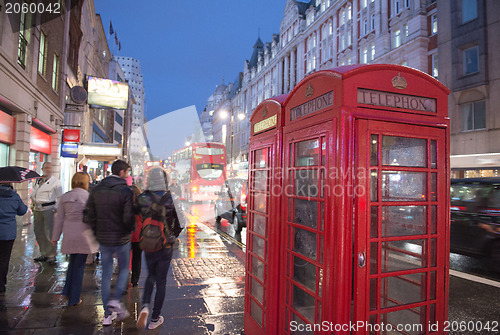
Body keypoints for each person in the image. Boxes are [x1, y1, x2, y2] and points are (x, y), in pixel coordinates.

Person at [83, 160, 135, 326]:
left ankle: (107, 315)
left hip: (104, 238)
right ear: (121, 173)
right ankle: (115, 300)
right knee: (124, 270)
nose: (128, 175)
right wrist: (131, 229)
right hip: (121, 238)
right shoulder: (125, 191)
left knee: (106, 274)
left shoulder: (97, 189)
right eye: (127, 172)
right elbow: (128, 218)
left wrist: (96, 231)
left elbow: (88, 215)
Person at [135, 167, 183, 330]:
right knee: (161, 280)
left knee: (150, 276)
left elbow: (135, 214)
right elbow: (181, 223)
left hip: (148, 242)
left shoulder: (142, 197)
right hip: (165, 244)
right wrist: (172, 236)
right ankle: (155, 319)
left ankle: (145, 307)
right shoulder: (172, 197)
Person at [51, 172, 98, 306]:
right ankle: (74, 298)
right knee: (79, 266)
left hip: (70, 234)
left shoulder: (65, 197)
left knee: (72, 263)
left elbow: (59, 219)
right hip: (84, 235)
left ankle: (66, 292)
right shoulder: (90, 197)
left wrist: (55, 237)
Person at [30, 162, 63, 265]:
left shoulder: (56, 182)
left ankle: (51, 255)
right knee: (39, 232)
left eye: (49, 167)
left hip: (49, 209)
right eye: (45, 167)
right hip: (37, 209)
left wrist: (55, 209)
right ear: (42, 168)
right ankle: (44, 253)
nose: (47, 169)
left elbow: (60, 197)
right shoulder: (37, 180)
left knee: (49, 232)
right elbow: (34, 193)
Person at [0, 183, 28, 293]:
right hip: (8, 233)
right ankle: (1, 284)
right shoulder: (14, 196)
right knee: (4, 259)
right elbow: (22, 211)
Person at [129, 184, 143, 287]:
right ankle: (135, 280)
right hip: (139, 235)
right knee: (137, 258)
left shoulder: (125, 204)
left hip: (127, 235)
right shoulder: (142, 205)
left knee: (125, 258)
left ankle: (125, 278)